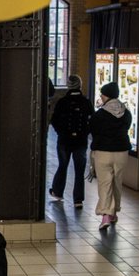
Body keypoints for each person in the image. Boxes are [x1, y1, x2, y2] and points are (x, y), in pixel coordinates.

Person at [90, 81, 132, 231]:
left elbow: (93, 130)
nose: (101, 96)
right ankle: (114, 212)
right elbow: (127, 127)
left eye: (102, 94)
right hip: (122, 152)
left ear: (106, 95)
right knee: (117, 182)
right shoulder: (126, 112)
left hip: (103, 152)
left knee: (105, 183)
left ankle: (106, 215)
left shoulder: (99, 114)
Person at [49, 75, 93, 208]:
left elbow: (54, 120)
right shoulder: (86, 102)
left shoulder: (62, 102)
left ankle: (57, 191)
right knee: (79, 170)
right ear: (80, 85)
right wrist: (85, 133)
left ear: (68, 86)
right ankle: (78, 199)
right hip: (80, 141)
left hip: (64, 140)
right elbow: (92, 120)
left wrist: (60, 132)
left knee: (63, 165)